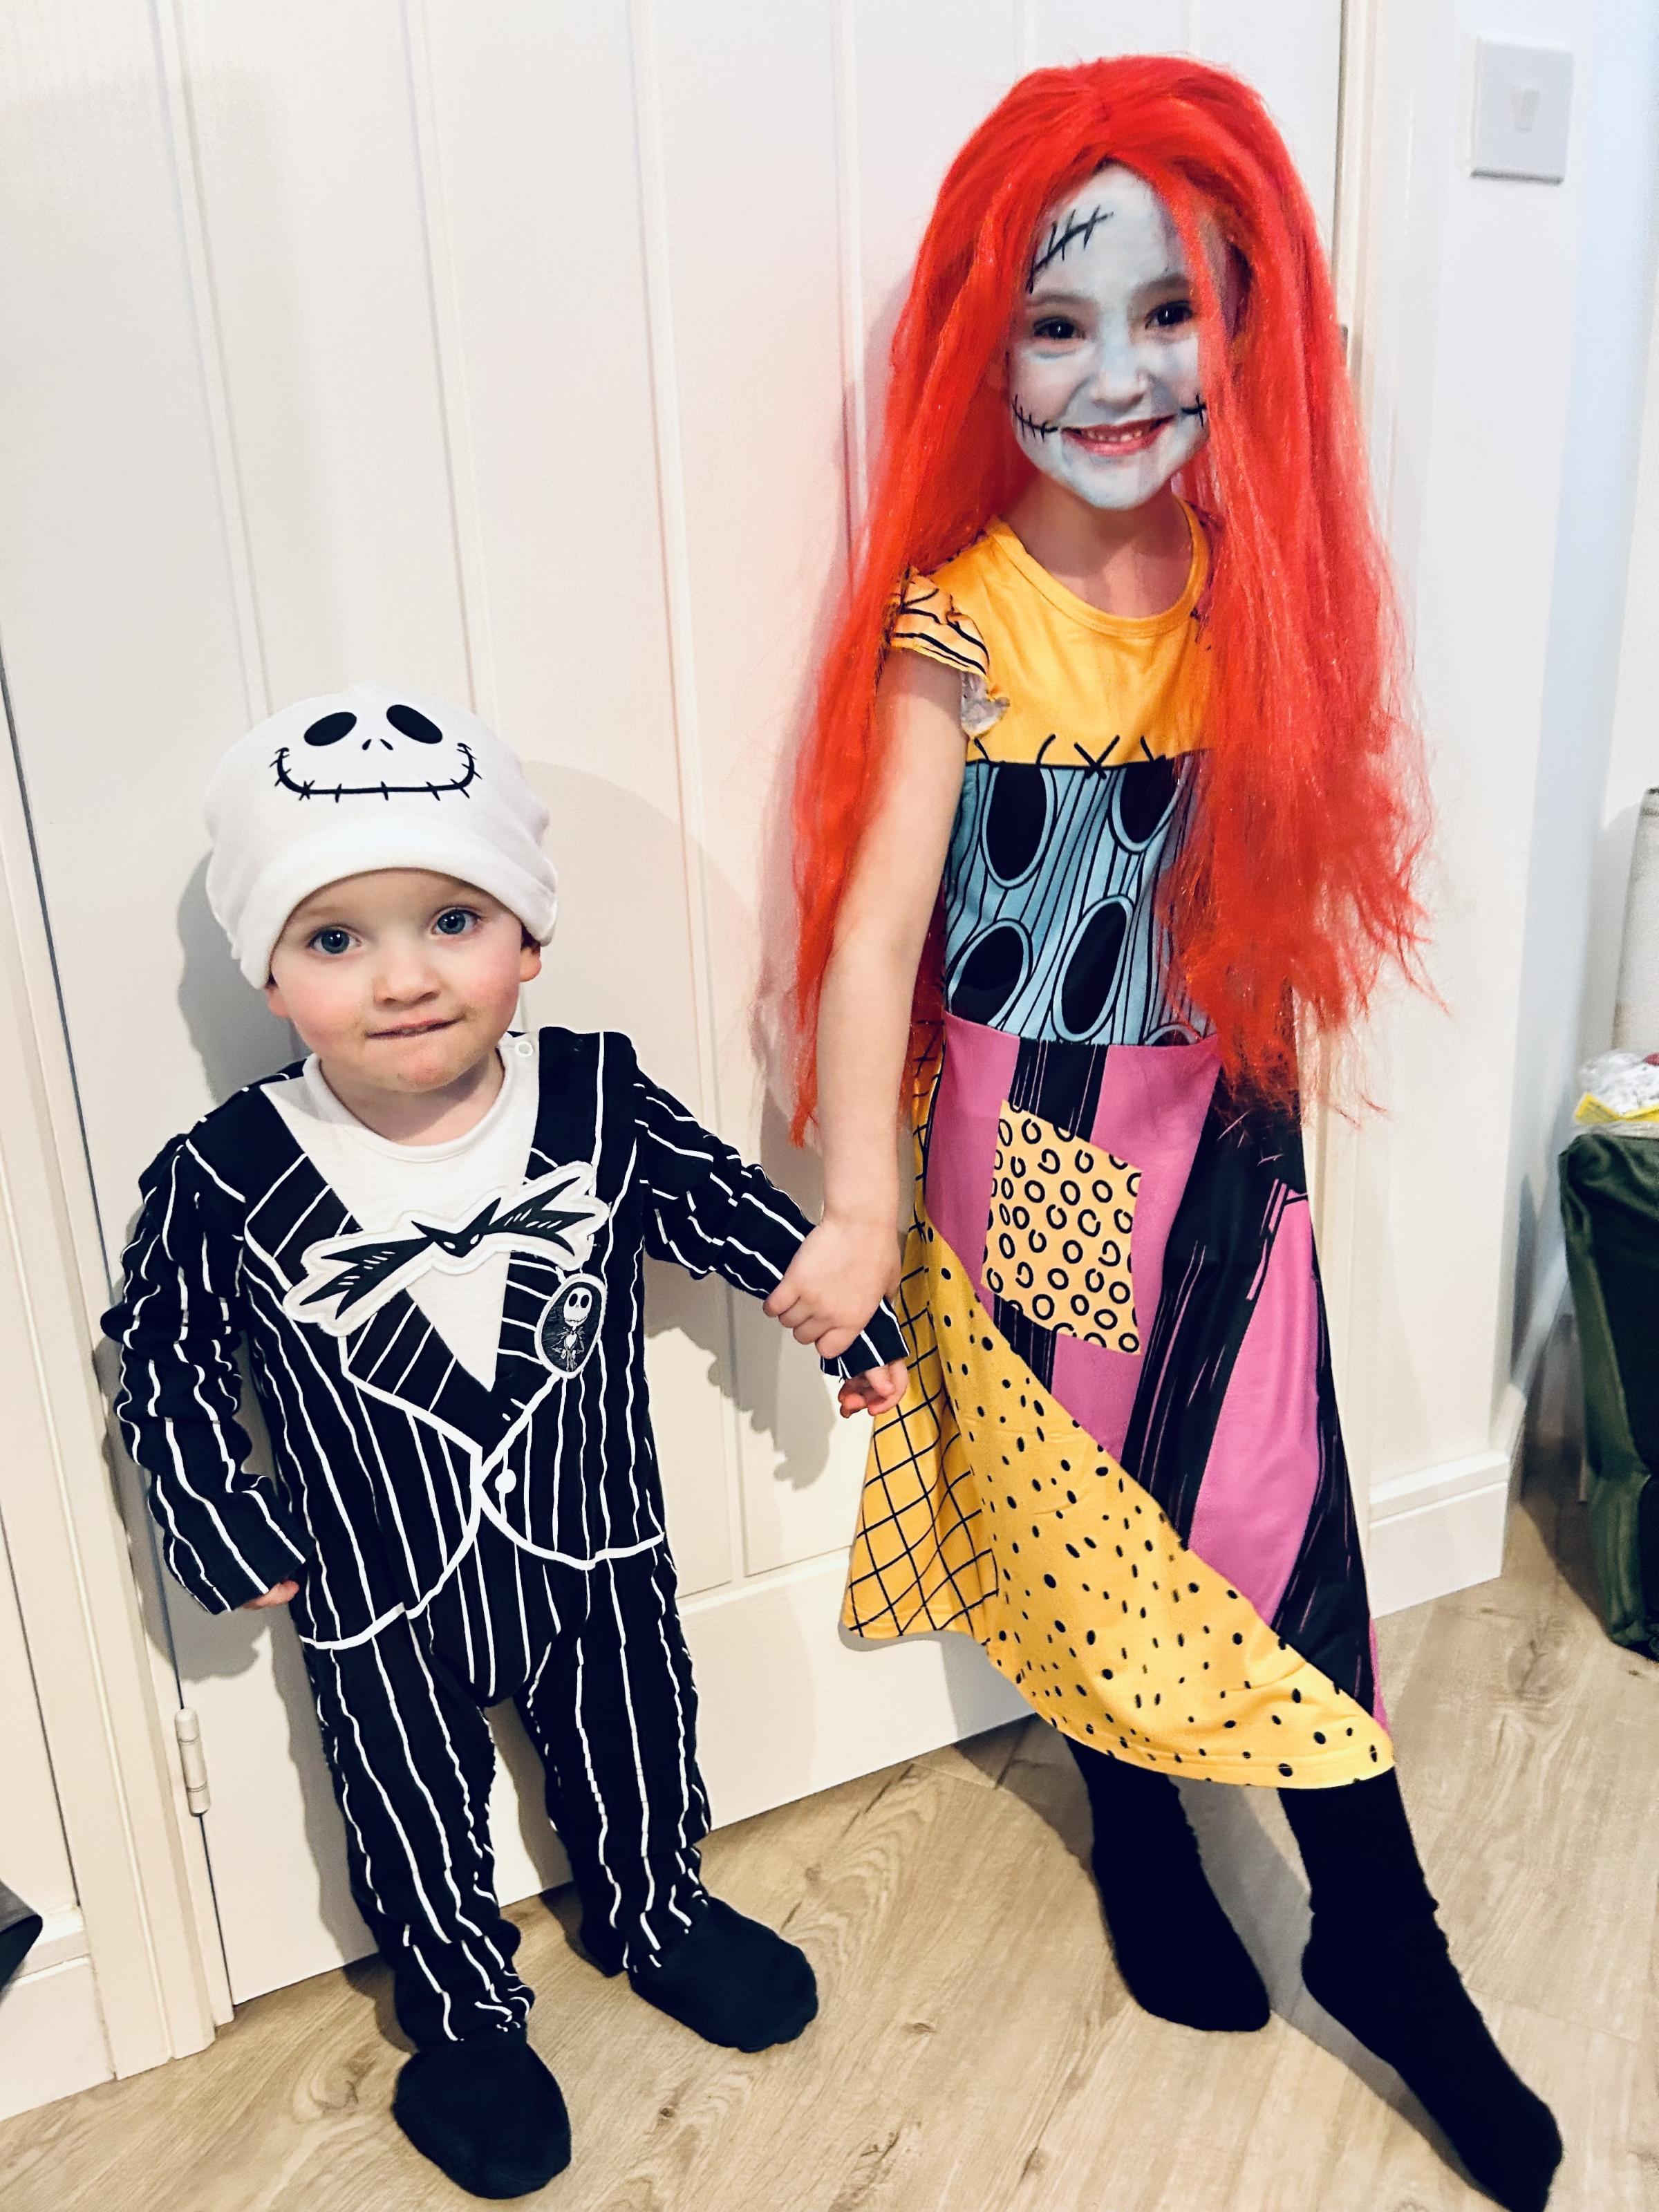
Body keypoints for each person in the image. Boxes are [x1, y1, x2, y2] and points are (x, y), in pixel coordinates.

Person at [771, 57, 1562, 2212]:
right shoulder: (966, 615)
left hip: (1228, 1123)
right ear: (980, 342)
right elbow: (873, 939)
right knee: (1106, 1511)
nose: (1119, 370)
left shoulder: (1248, 584)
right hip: (1033, 1143)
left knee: (1283, 1514)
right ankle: (1137, 1819)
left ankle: (1381, 1940)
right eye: (1056, 319)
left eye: (1174, 310)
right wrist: (853, 1190)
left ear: (1254, 325)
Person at [103, 684, 907, 2200]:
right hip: (376, 1578)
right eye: (337, 939)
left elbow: (722, 1207)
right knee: (405, 1798)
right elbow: (163, 1352)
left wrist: (840, 1317)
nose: (403, 976)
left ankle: (651, 1904)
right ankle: (461, 2005)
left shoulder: (596, 1098)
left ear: (529, 939)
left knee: (638, 1734)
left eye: (453, 920)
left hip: (593, 1537)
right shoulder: (229, 1174)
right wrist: (219, 1511)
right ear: (273, 977)